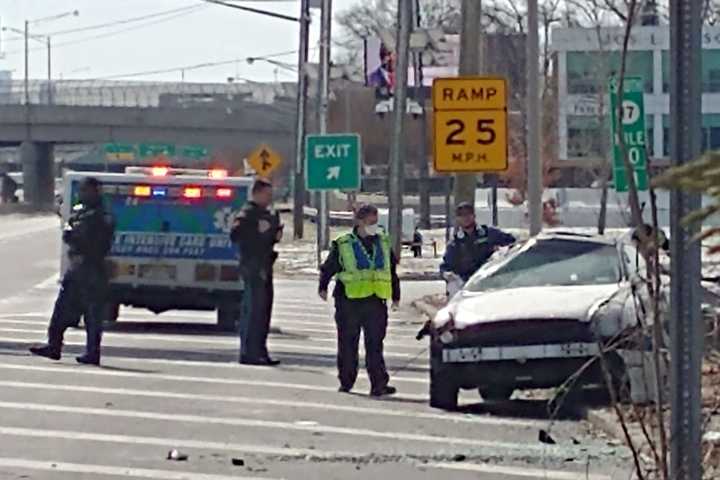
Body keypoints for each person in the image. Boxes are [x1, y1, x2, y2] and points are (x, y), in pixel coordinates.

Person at [30, 177, 115, 365]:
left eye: (86, 190)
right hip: (79, 268)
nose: (82, 194)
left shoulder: (99, 216)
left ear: (95, 192)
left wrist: (72, 233)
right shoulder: (84, 212)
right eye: (82, 190)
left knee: (92, 315)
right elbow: (70, 231)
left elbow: (79, 237)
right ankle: (54, 345)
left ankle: (92, 353)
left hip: (90, 268)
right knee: (61, 310)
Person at [318, 204, 400, 397]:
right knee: (348, 343)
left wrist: (396, 296)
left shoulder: (383, 242)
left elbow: (391, 272)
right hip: (349, 301)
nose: (374, 226)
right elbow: (329, 267)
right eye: (371, 222)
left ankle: (378, 384)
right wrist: (322, 286)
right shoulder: (344, 243)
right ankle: (346, 381)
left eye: (376, 222)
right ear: (359, 222)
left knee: (375, 345)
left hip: (375, 300)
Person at [230, 178, 283, 366]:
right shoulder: (248, 213)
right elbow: (236, 234)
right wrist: (256, 230)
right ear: (257, 193)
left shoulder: (265, 213)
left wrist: (273, 234)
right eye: (267, 194)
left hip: (264, 265)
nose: (270, 198)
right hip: (253, 267)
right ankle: (249, 353)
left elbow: (267, 238)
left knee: (263, 311)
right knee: (254, 312)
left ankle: (260, 351)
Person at [440, 202, 516, 296]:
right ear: (457, 219)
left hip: (489, 283)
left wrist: (501, 254)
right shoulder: (455, 243)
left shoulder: (488, 233)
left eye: (468, 214)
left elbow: (513, 243)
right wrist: (448, 275)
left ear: (474, 215)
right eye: (461, 215)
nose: (465, 218)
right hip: (467, 285)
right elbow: (446, 266)